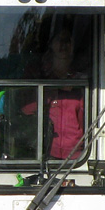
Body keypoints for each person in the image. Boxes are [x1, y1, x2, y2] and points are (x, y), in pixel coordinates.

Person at [23, 27, 86, 159]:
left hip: (78, 157)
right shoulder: (38, 77)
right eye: (59, 40)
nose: (63, 45)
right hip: (46, 154)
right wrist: (50, 90)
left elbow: (87, 119)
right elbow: (26, 110)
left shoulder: (82, 81)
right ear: (51, 44)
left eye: (67, 40)